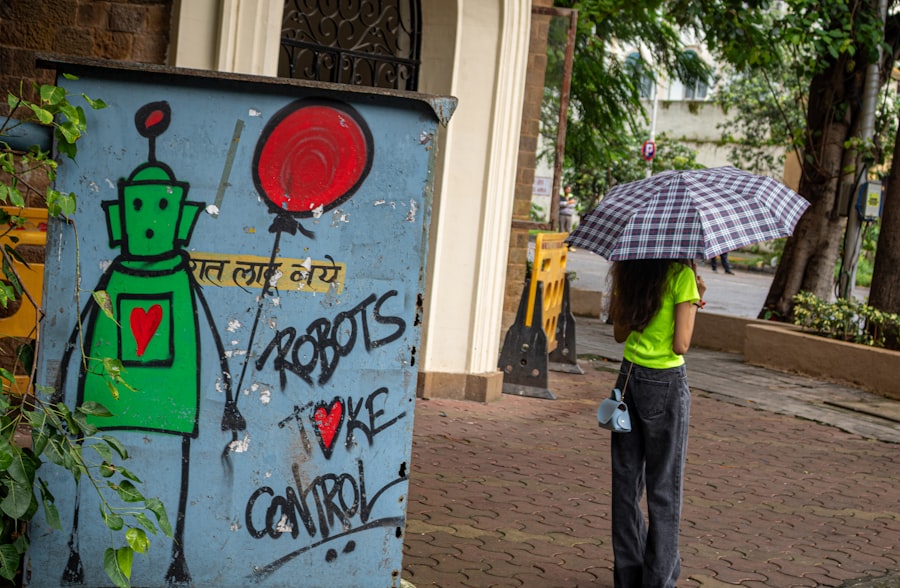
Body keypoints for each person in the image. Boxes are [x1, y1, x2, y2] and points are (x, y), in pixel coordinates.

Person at [607, 258, 706, 588]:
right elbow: (681, 344)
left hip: (628, 378)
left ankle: (628, 577)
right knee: (663, 486)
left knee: (626, 484)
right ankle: (658, 581)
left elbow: (620, 334)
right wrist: (692, 302)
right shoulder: (682, 275)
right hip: (665, 382)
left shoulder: (627, 271)